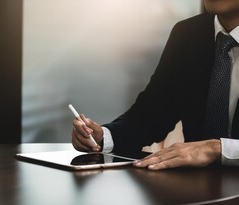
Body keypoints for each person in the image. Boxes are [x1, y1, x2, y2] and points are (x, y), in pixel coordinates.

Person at [72, 0, 239, 171]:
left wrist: (217, 149)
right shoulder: (189, 33)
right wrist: (103, 137)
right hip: (198, 186)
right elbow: (150, 115)